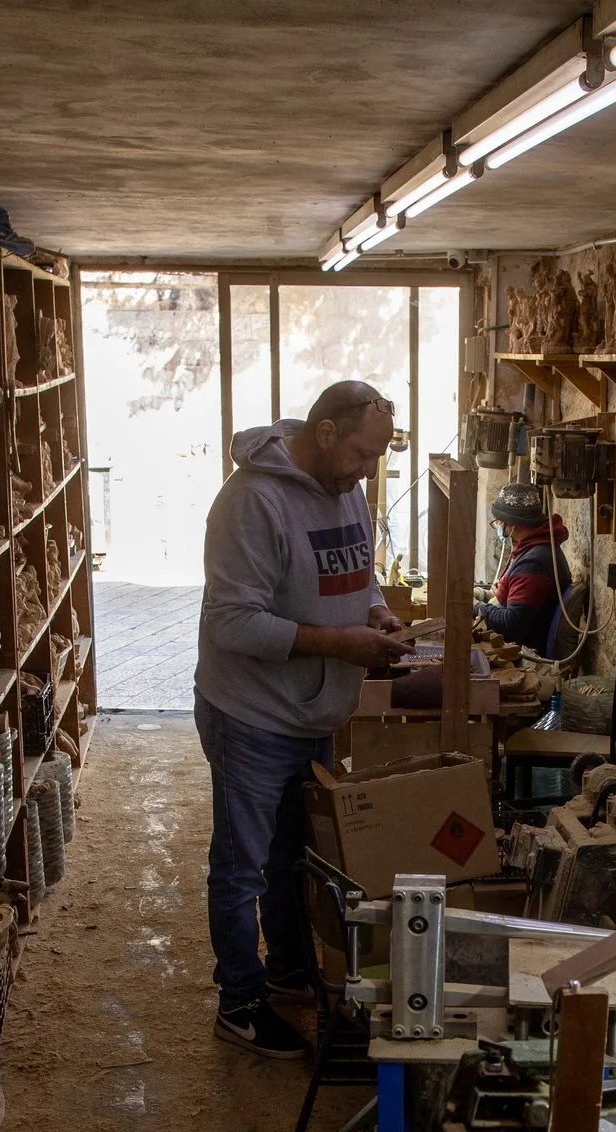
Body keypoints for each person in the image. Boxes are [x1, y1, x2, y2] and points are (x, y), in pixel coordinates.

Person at [196, 382, 409, 1057]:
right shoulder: (249, 503)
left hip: (315, 712)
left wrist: (373, 611)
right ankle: (240, 1001)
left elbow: (355, 572)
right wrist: (342, 643)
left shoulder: (345, 486)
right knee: (242, 866)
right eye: (360, 454)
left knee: (299, 857)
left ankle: (287, 971)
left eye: (375, 459)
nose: (367, 472)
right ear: (323, 432)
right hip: (251, 715)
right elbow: (234, 623)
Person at [478, 482, 571, 653]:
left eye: (499, 523)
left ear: (513, 525)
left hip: (525, 651)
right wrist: (485, 595)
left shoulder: (534, 564)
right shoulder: (537, 547)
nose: (499, 528)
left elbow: (512, 623)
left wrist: (478, 607)